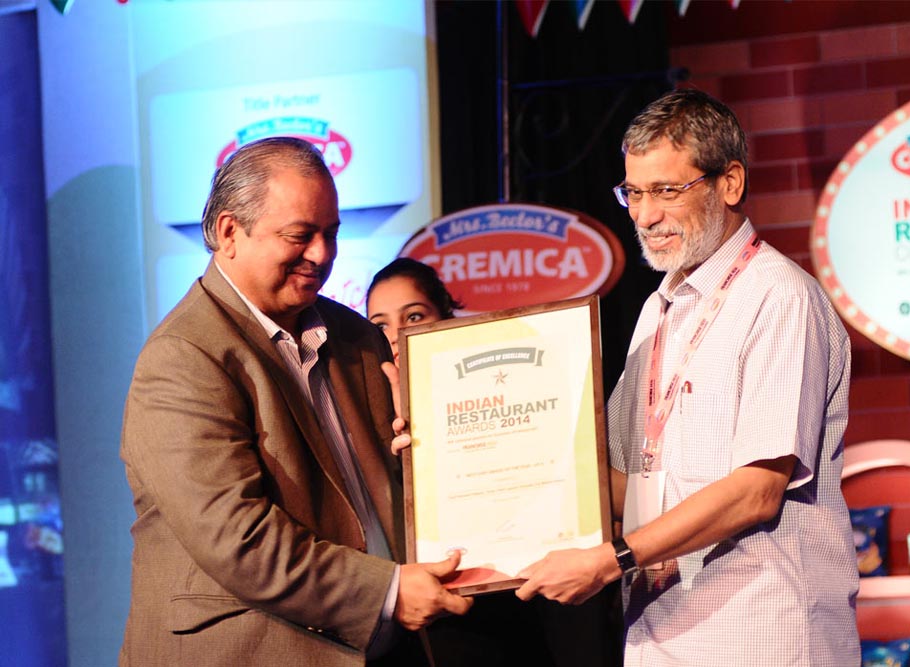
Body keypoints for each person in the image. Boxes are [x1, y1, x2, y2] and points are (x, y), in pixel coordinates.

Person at [514, 89, 860, 665]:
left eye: (667, 191)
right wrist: (475, 452)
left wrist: (612, 560)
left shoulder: (778, 297)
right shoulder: (659, 309)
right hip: (660, 636)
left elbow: (757, 490)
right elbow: (627, 484)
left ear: (730, 183)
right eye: (634, 192)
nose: (645, 215)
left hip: (762, 637)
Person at [119, 136, 472, 667]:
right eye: (299, 235)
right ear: (229, 232)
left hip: (387, 647)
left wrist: (426, 454)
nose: (322, 254)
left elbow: (391, 494)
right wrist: (388, 593)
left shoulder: (355, 335)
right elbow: (240, 541)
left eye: (331, 233)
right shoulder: (182, 358)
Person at [367, 258, 622, 667]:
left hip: (551, 583)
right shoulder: (369, 423)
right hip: (460, 608)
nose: (397, 336)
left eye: (413, 316)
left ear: (446, 318)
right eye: (379, 325)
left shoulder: (516, 380)